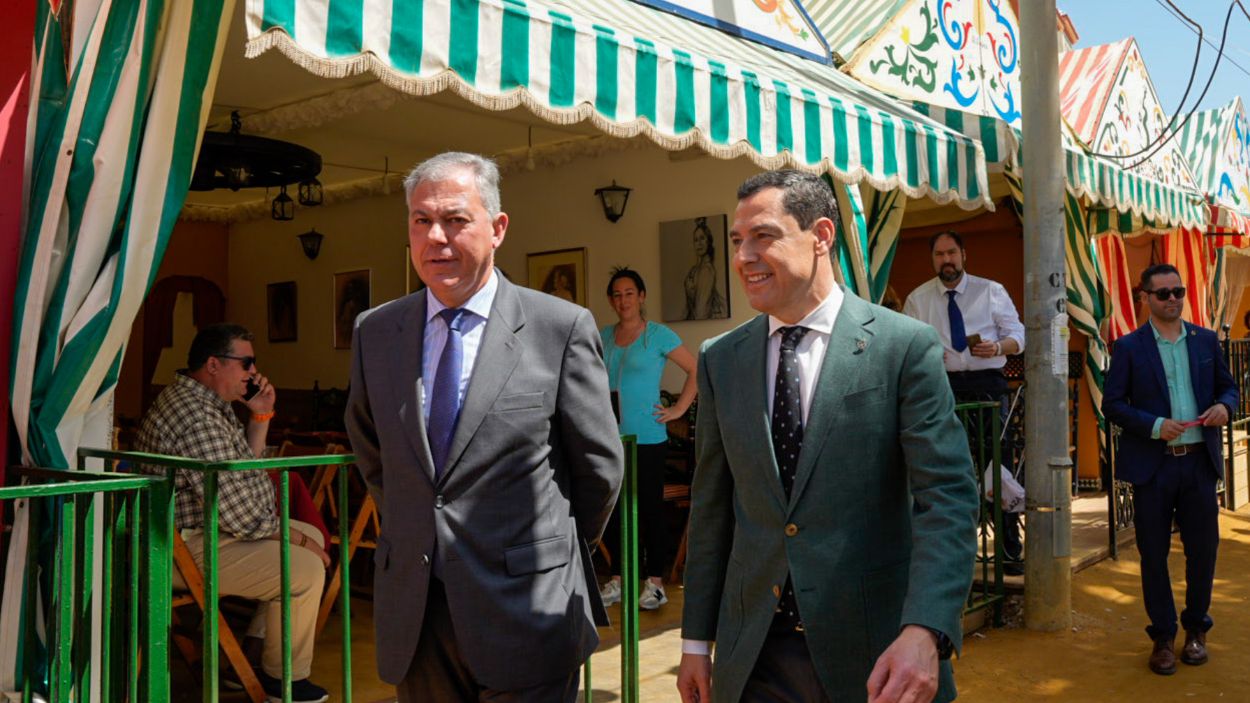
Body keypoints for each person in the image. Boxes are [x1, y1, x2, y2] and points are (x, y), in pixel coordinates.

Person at [677, 170, 978, 703]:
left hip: (877, 657)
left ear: (820, 236)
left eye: (763, 236)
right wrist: (696, 642)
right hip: (754, 659)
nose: (744, 255)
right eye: (737, 241)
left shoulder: (902, 346)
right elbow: (712, 510)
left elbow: (947, 499)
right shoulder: (720, 359)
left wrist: (925, 629)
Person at [344, 152, 624, 702]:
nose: (436, 238)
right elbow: (376, 455)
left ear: (497, 229)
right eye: (421, 221)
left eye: (455, 219)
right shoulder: (376, 332)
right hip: (418, 617)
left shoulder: (558, 328)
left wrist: (542, 553)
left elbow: (599, 471)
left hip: (528, 613)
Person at [135, 324, 330, 703]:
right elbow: (243, 517)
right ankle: (282, 680)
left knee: (312, 538)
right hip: (176, 551)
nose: (253, 374)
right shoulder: (196, 416)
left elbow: (244, 475)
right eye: (247, 364)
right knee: (304, 568)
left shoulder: (208, 404)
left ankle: (254, 658)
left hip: (198, 533)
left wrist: (261, 417)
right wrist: (298, 540)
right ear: (212, 364)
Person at [1102, 263, 1237, 676]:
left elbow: (1228, 387)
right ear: (1145, 297)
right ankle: (1163, 635)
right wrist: (1156, 426)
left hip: (1198, 464)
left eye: (1178, 291)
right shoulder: (1128, 347)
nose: (1173, 298)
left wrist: (1225, 407)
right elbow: (1113, 405)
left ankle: (1197, 630)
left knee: (1203, 552)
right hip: (1153, 468)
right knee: (1153, 556)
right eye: (1163, 293)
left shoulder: (1205, 341)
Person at [903, 230, 1026, 574]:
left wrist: (999, 348)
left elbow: (1019, 334)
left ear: (964, 255)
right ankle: (949, 555)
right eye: (940, 255)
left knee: (995, 466)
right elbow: (910, 347)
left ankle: (1007, 551)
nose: (947, 261)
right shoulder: (918, 299)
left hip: (988, 384)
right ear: (933, 260)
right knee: (945, 467)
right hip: (942, 386)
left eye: (952, 253)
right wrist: (928, 357)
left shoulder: (991, 291)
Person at [598, 267, 697, 611]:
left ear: (641, 297)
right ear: (611, 301)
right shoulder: (604, 336)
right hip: (611, 439)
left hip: (648, 439)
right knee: (612, 510)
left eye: (629, 293)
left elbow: (696, 368)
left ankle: (654, 583)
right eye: (617, 294)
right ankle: (618, 579)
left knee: (649, 511)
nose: (623, 300)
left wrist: (678, 410)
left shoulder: (657, 335)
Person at [684, 216, 728, 320]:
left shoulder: (706, 271)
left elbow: (701, 312)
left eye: (702, 238)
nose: (699, 243)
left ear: (708, 241)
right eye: (696, 240)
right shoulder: (694, 270)